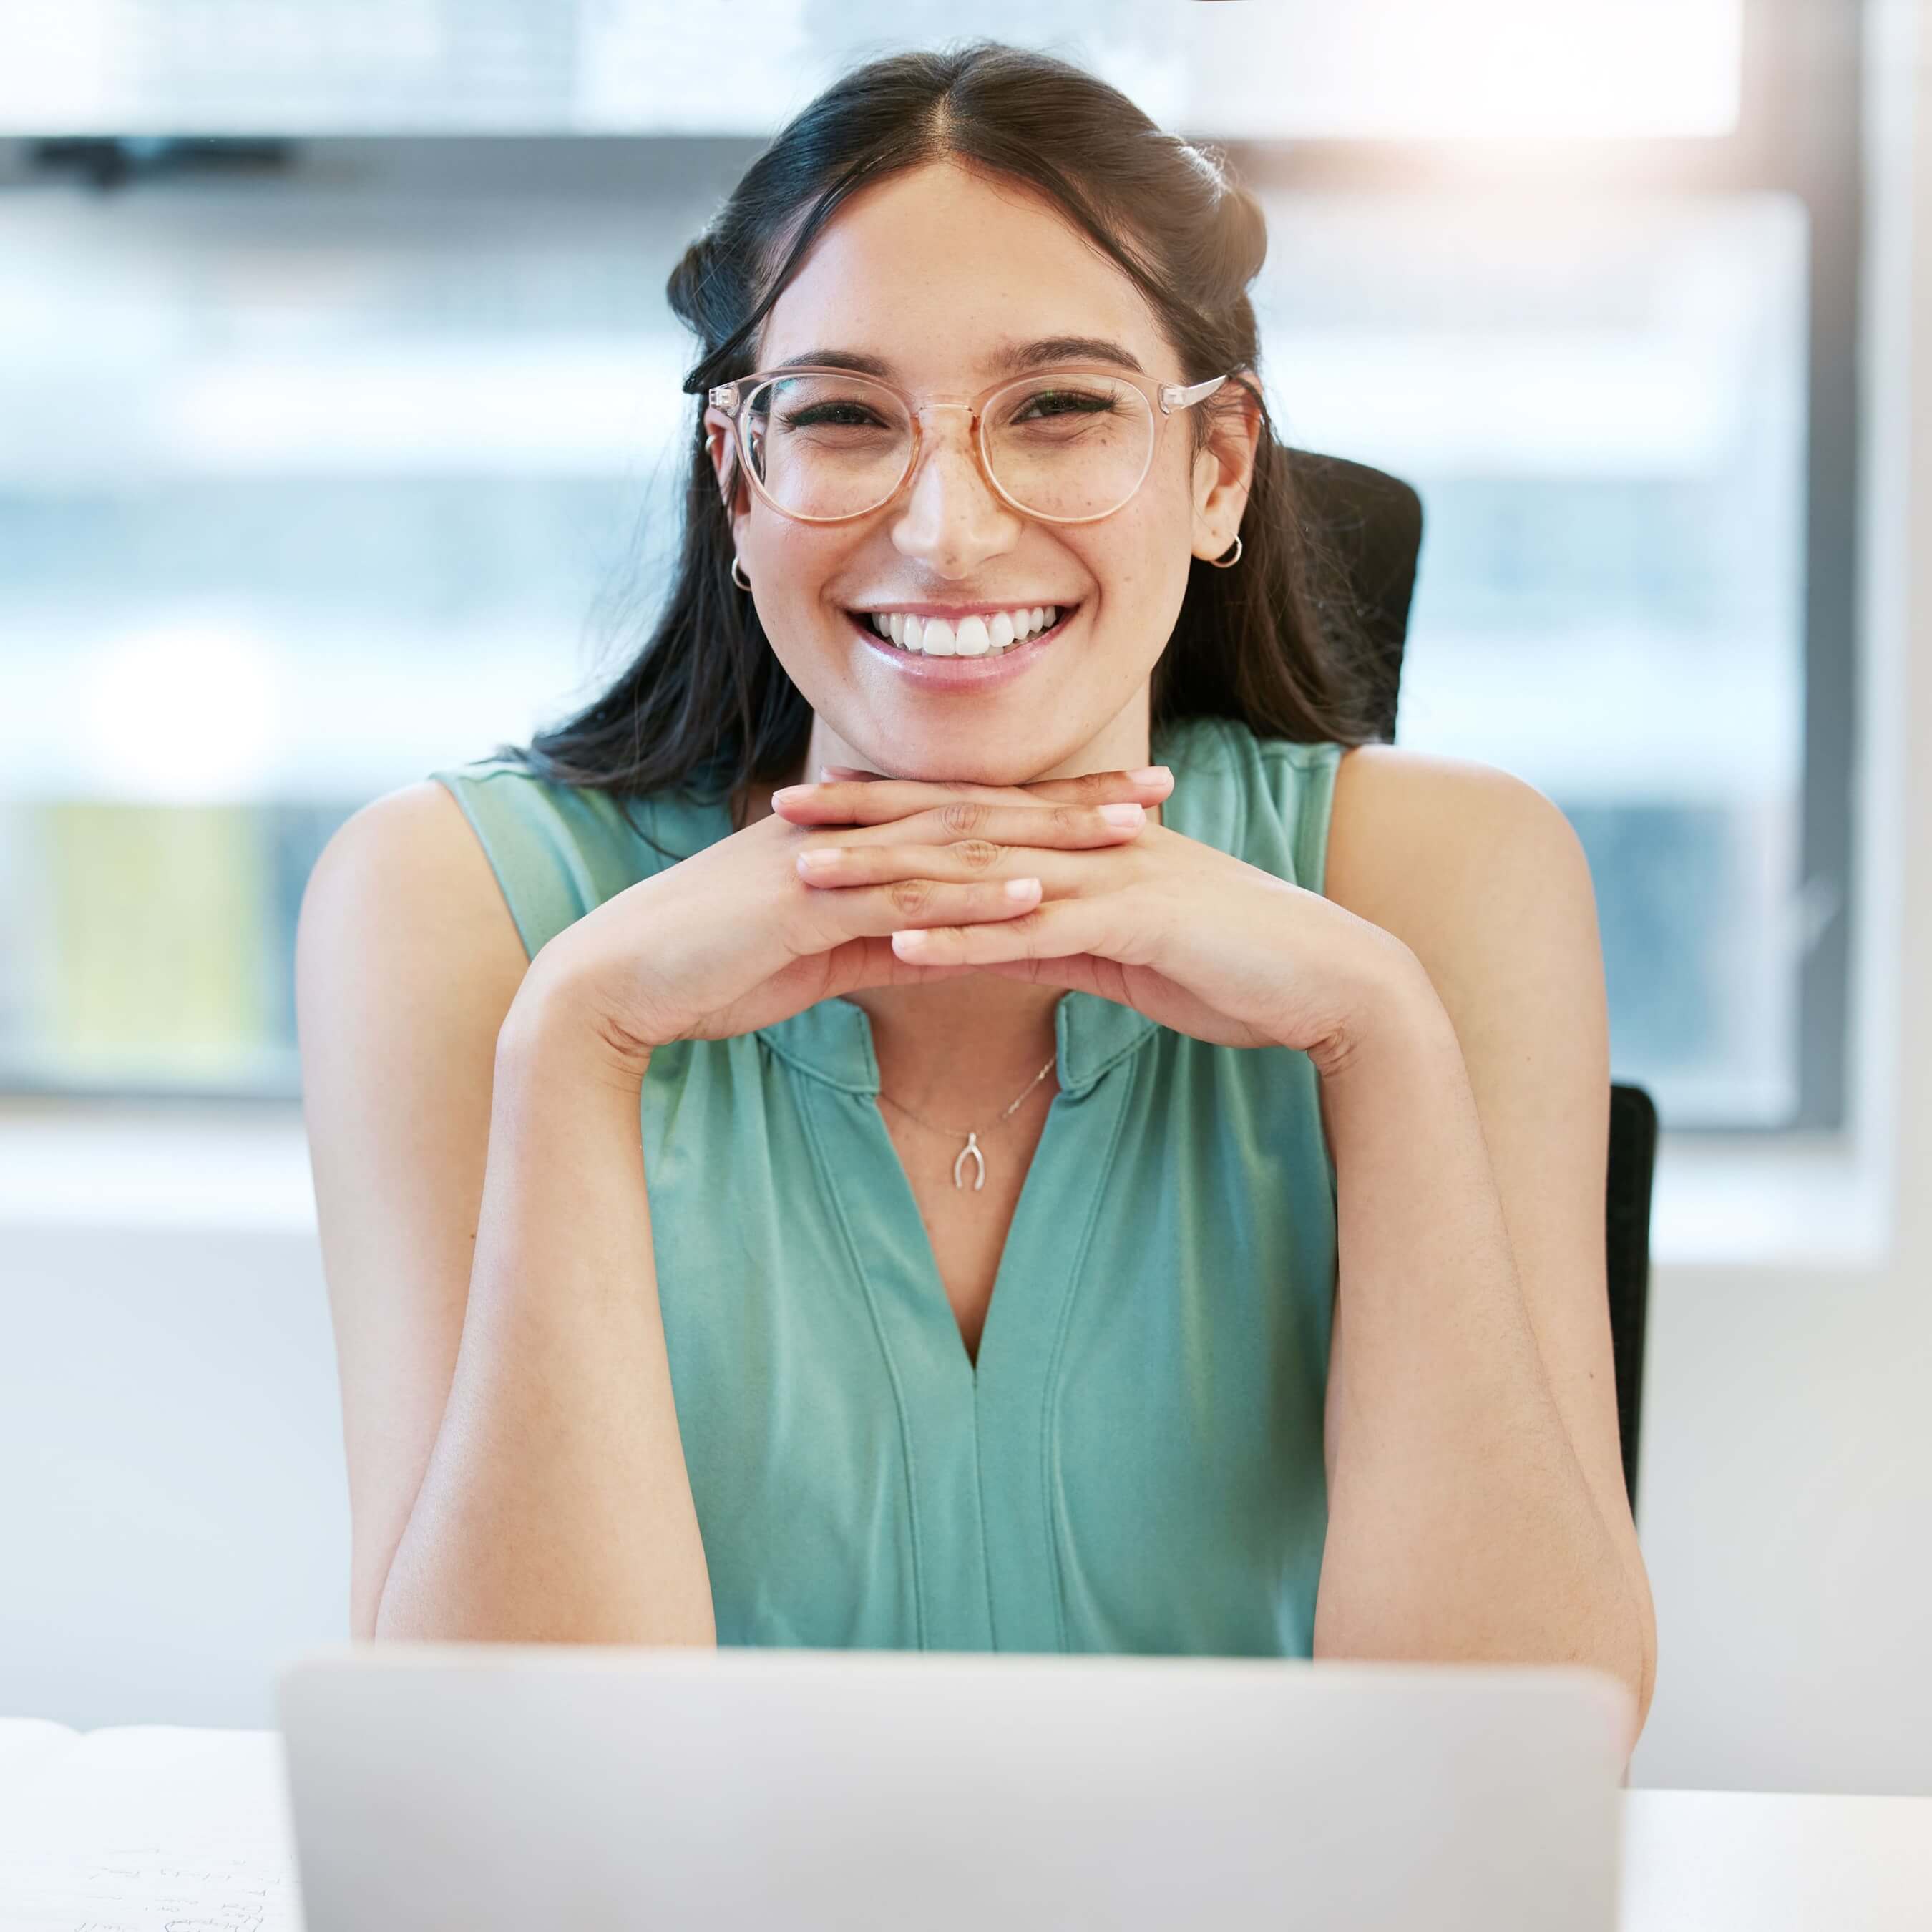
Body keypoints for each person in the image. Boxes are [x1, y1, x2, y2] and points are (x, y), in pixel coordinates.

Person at [296, 39, 1654, 1750]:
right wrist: (581, 1038)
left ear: (1218, 469)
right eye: (846, 417)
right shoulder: (453, 909)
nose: (947, 530)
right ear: (738, 478)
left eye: (1062, 409)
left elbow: (1520, 1756)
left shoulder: (1446, 886)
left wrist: (1376, 1031)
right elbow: (497, 1789)